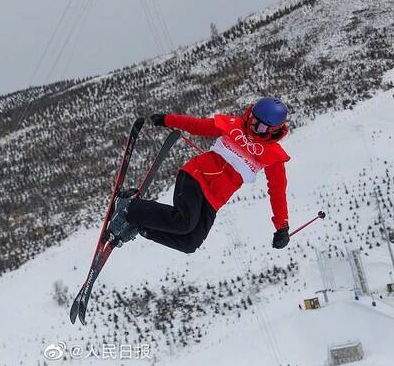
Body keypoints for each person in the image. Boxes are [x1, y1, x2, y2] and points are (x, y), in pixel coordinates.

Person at [108, 97, 291, 252]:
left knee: (190, 243)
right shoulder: (234, 126)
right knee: (183, 222)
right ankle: (129, 207)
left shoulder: (274, 156)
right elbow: (199, 126)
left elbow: (277, 192)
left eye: (259, 127)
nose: (252, 127)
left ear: (273, 130)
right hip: (197, 176)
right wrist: (168, 119)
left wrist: (282, 227)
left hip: (214, 199)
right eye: (252, 119)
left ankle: (139, 224)